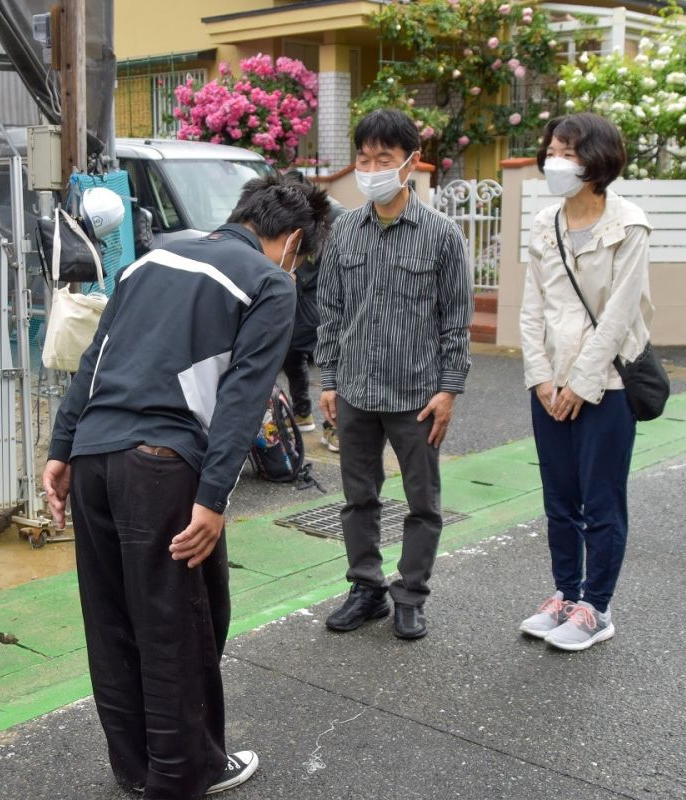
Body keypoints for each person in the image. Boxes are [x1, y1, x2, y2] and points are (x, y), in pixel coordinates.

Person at [42, 172, 331, 800]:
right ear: (292, 240)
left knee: (113, 618)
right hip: (161, 467)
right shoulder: (269, 282)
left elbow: (93, 362)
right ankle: (181, 776)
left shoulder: (151, 261)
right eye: (301, 253)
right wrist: (213, 499)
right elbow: (241, 400)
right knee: (179, 622)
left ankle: (138, 769)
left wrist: (61, 450)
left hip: (92, 456)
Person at [316, 108, 473, 640]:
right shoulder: (343, 234)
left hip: (417, 396)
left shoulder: (442, 236)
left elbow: (456, 321)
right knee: (359, 497)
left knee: (423, 503)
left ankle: (410, 595)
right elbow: (331, 311)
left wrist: (450, 389)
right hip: (357, 389)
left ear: (410, 163)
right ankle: (366, 588)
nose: (372, 168)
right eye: (364, 158)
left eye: (384, 158)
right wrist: (329, 381)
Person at [517, 112, 653, 652]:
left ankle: (597, 606)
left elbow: (619, 316)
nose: (555, 160)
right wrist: (541, 378)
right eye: (552, 149)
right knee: (559, 499)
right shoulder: (544, 223)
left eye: (568, 152)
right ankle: (565, 593)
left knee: (600, 501)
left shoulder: (630, 225)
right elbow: (532, 309)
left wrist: (579, 383)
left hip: (608, 385)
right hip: (550, 387)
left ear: (596, 161)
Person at [281, 169, 345, 452]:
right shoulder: (288, 211)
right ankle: (302, 413)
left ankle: (334, 428)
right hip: (296, 293)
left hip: (322, 296)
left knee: (329, 361)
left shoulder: (335, 215)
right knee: (291, 355)